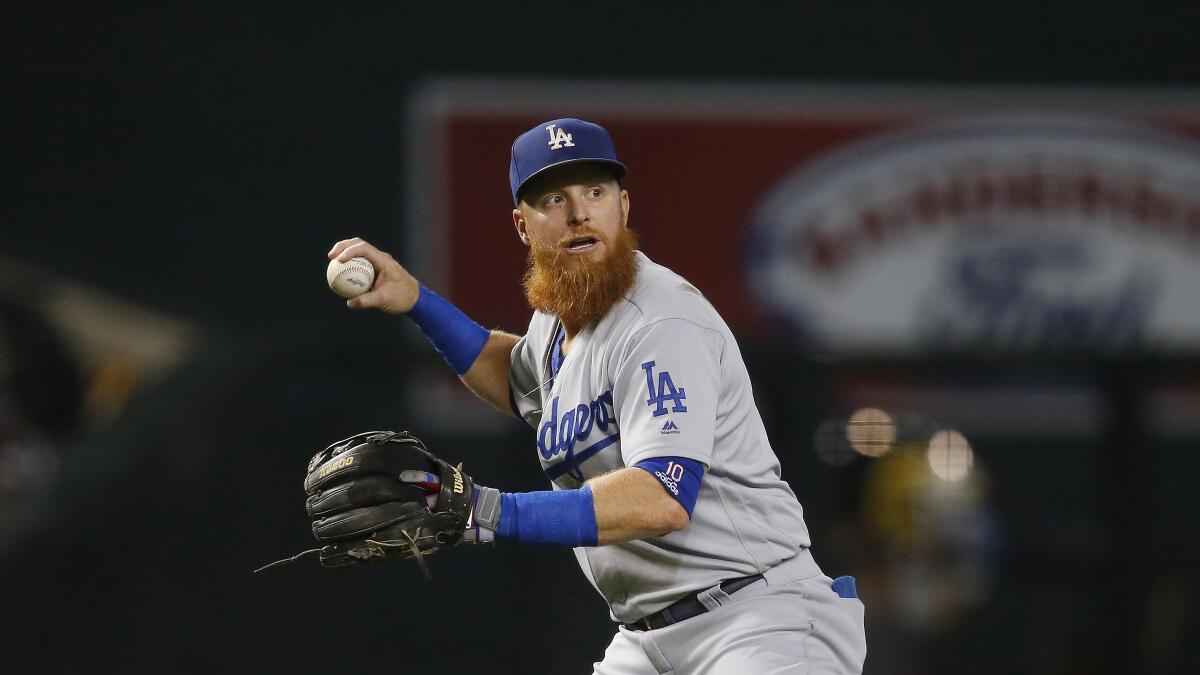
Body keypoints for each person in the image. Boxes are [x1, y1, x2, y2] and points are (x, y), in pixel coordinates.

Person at [327, 118, 866, 674]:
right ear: (522, 225)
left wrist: (485, 512)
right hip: (645, 640)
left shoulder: (661, 322)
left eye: (595, 191)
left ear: (623, 207)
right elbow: (514, 377)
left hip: (756, 620)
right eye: (554, 198)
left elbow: (661, 499)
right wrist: (417, 301)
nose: (580, 212)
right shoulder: (560, 319)